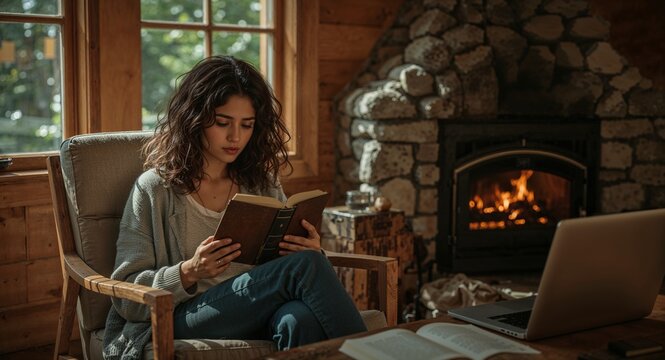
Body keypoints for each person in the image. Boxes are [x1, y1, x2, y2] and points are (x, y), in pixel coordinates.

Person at [103, 56, 367, 360]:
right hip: (184, 316)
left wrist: (306, 248)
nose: (236, 137)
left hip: (257, 309)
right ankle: (376, 353)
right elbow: (125, 295)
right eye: (222, 123)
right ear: (195, 118)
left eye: (247, 125)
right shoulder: (154, 188)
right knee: (307, 268)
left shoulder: (260, 182)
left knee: (300, 318)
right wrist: (189, 271)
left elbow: (280, 266)